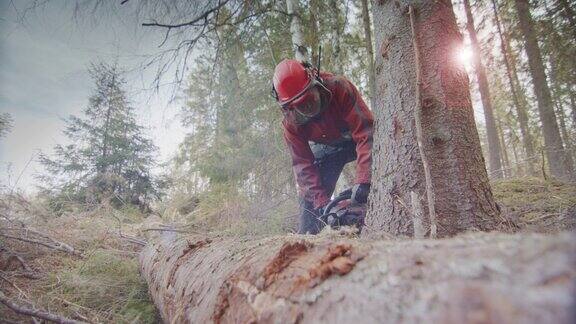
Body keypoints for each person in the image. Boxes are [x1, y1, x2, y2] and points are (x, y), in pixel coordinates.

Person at [272, 59, 374, 234]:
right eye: (300, 107)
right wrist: (322, 203)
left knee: (379, 162)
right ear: (288, 108)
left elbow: (366, 132)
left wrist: (364, 180)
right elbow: (303, 165)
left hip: (356, 139)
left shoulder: (339, 87)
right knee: (311, 205)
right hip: (328, 149)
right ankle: (310, 236)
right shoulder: (291, 124)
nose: (308, 109)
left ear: (315, 81)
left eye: (310, 100)